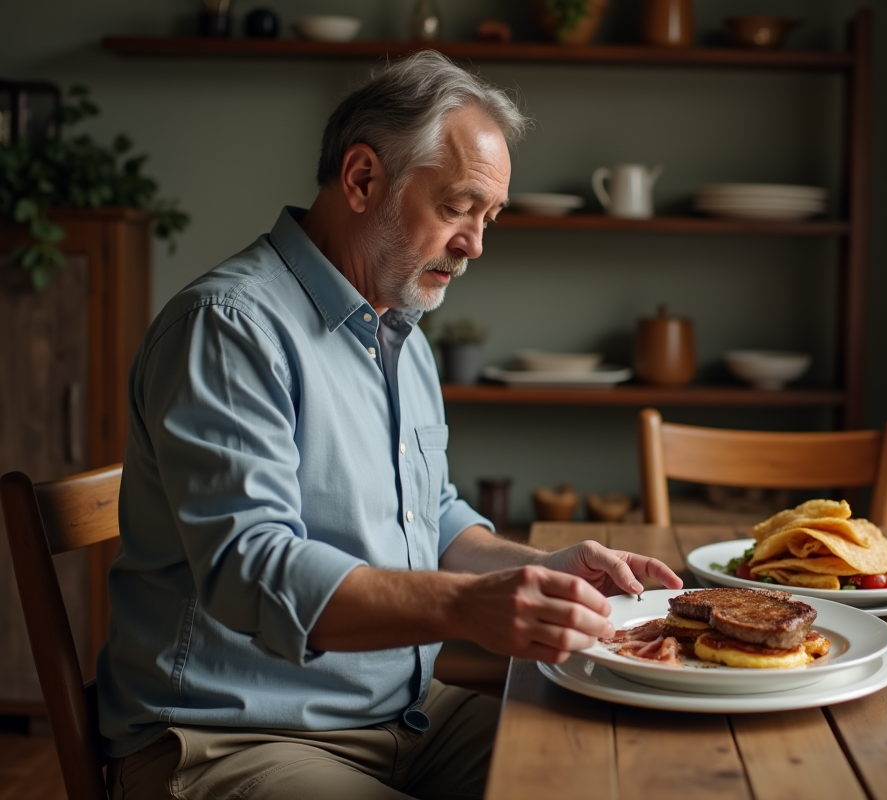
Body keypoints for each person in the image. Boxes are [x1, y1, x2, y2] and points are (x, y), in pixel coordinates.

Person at [98, 51, 682, 800]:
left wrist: (538, 568)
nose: (476, 244)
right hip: (228, 735)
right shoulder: (229, 327)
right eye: (458, 207)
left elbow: (432, 517)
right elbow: (252, 570)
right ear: (363, 178)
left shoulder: (398, 329)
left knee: (621, 768)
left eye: (488, 217)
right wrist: (469, 607)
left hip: (403, 716)